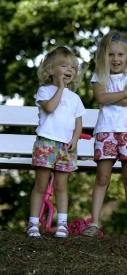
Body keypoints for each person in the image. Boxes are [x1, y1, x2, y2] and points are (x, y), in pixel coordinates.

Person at [82, 30, 127, 238]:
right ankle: (95, 223)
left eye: (120, 54)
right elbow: (100, 97)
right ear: (104, 56)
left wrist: (113, 96)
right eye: (111, 54)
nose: (116, 59)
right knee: (102, 177)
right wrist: (123, 93)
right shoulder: (100, 75)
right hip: (105, 131)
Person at [27, 46, 86, 238]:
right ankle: (33, 224)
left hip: (65, 147)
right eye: (63, 66)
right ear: (50, 70)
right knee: (41, 185)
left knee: (61, 186)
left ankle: (62, 223)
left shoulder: (75, 98)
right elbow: (50, 108)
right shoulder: (44, 91)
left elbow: (78, 122)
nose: (69, 70)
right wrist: (60, 87)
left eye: (72, 67)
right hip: (46, 144)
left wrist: (75, 139)